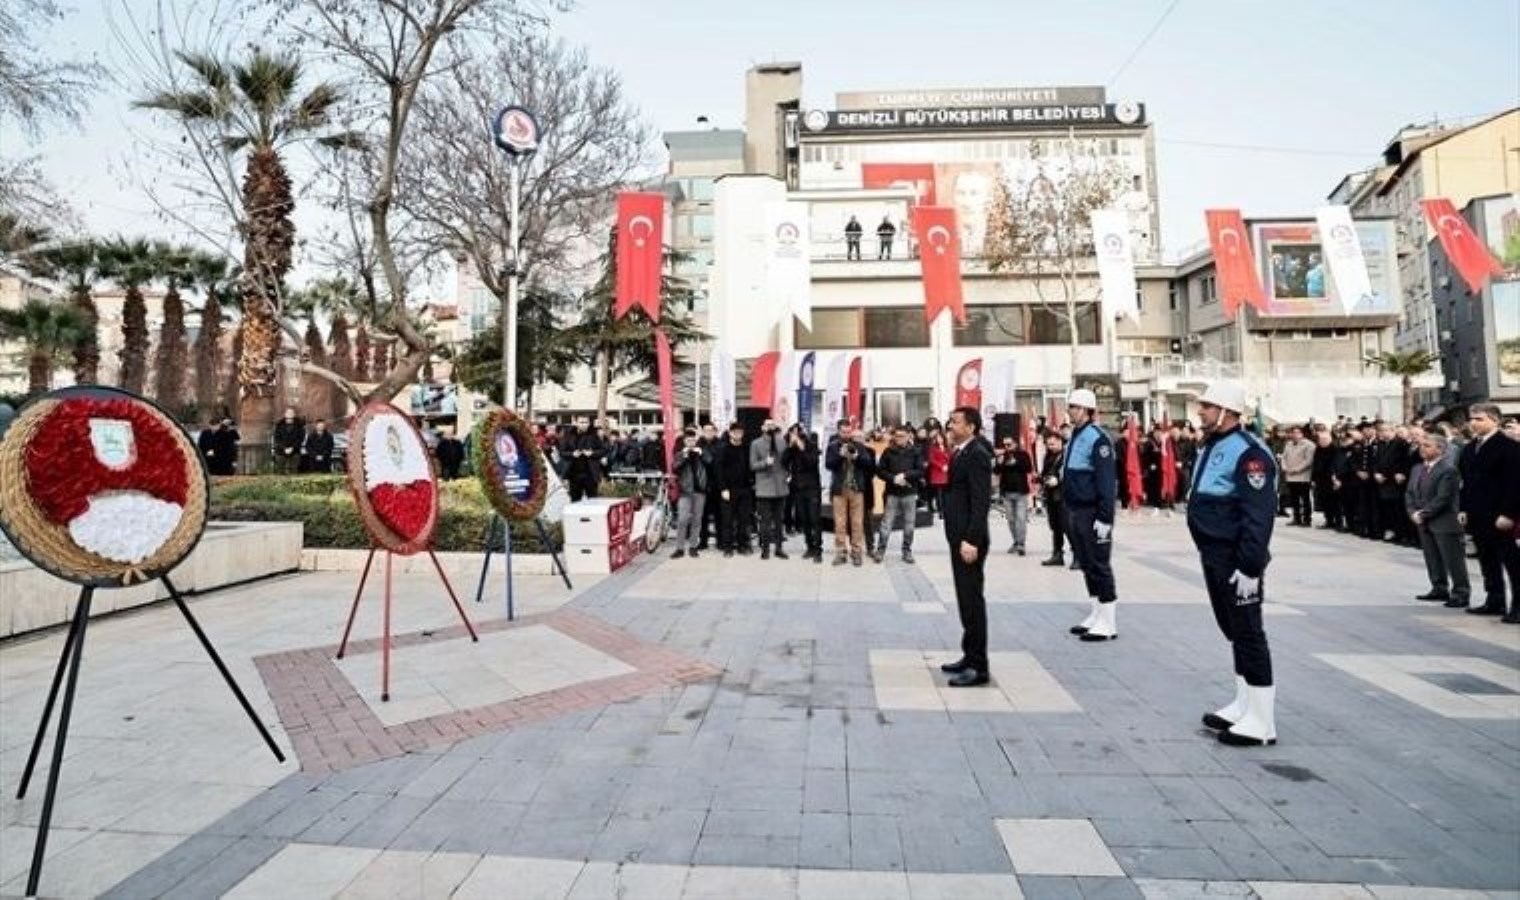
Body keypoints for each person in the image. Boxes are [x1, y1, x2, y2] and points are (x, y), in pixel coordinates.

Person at [1188, 381, 1279, 747]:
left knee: (1248, 631)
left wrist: (1250, 567)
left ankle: (1262, 720)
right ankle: (1244, 703)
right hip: (1214, 554)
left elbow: (1258, 516)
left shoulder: (1250, 453)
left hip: (1237, 560)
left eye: (1208, 406)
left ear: (1227, 411)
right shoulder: (1213, 446)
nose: (1201, 412)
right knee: (1232, 629)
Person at [938, 406, 994, 688]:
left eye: (956, 422)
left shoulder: (978, 455)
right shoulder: (961, 451)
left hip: (969, 540)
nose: (951, 425)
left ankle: (978, 665)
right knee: (964, 598)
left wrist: (972, 539)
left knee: (972, 600)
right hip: (958, 536)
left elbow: (981, 501)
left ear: (971, 427)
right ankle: (968, 654)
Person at [1062, 389, 1119, 642]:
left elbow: (1106, 482)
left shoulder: (1099, 439)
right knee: (1086, 563)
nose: (1070, 411)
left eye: (1074, 407)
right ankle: (1096, 613)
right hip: (1075, 508)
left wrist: (1105, 518)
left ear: (1086, 410)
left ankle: (1108, 621)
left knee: (1099, 564)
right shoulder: (1076, 435)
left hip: (1092, 510)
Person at [1457, 404, 1520, 622]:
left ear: (1494, 420)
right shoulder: (1469, 448)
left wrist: (1509, 513)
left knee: (1512, 562)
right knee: (1487, 560)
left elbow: (1515, 483)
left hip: (1500, 514)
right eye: (1471, 419)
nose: (1473, 423)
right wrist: (1463, 507)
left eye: (1479, 419)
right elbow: (1466, 482)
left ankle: (1518, 606)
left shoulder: (1509, 447)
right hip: (1477, 513)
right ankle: (1495, 600)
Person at [1407, 433, 1469, 609]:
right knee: (1432, 557)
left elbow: (1443, 497)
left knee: (1453, 559)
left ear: (1440, 449)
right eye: (1421, 445)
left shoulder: (1448, 470)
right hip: (1423, 520)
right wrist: (1412, 511)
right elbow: (1410, 493)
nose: (1422, 448)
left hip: (1444, 521)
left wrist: (1423, 513)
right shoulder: (1417, 468)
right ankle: (1439, 587)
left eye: (1427, 445)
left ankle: (1461, 593)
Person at [825, 418, 875, 566]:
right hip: (839, 489)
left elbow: (868, 464)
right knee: (840, 523)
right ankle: (840, 552)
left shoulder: (859, 446)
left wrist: (857, 457)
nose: (846, 435)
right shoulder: (833, 446)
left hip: (856, 488)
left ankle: (857, 552)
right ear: (838, 431)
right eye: (843, 432)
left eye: (848, 431)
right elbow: (828, 465)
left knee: (857, 522)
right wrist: (839, 457)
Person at [874, 425, 924, 563]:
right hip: (892, 493)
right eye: (896, 436)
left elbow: (921, 471)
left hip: (909, 493)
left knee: (909, 524)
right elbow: (880, 471)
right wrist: (893, 478)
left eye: (901, 436)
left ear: (909, 436)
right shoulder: (888, 451)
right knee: (886, 524)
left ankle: (906, 551)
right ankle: (880, 550)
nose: (898, 439)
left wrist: (906, 475)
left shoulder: (916, 452)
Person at [750, 418, 790, 560]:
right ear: (762, 427)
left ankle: (779, 548)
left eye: (772, 425)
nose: (770, 427)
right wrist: (764, 463)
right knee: (765, 522)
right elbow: (752, 465)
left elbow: (786, 462)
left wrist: (788, 474)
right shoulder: (755, 443)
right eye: (767, 424)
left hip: (780, 487)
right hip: (764, 488)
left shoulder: (781, 441)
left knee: (779, 521)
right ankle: (765, 549)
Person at [784, 424, 824, 562]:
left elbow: (811, 462)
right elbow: (783, 462)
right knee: (804, 520)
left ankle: (818, 550)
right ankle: (810, 547)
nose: (794, 436)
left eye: (796, 433)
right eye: (791, 433)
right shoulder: (791, 448)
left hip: (812, 488)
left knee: (815, 519)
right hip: (797, 488)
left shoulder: (812, 445)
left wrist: (801, 448)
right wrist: (790, 447)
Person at [715, 421, 755, 556]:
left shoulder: (747, 448)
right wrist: (723, 488)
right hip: (728, 490)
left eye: (740, 432)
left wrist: (751, 483)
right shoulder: (723, 449)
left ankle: (742, 546)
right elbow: (718, 470)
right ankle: (728, 548)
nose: (738, 434)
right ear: (730, 433)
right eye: (735, 432)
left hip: (745, 489)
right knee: (727, 520)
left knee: (744, 520)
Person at [672, 428, 711, 559]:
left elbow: (710, 463)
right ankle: (679, 548)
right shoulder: (680, 454)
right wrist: (684, 456)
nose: (691, 442)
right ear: (684, 441)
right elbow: (675, 468)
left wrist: (701, 454)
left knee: (696, 520)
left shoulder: (701, 452)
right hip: (685, 491)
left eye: (693, 440)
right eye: (688, 440)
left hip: (700, 491)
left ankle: (693, 546)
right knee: (682, 520)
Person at [994, 435, 1033, 555]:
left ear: (1015, 443)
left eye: (1009, 444)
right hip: (1007, 492)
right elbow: (996, 471)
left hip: (1021, 492)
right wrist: (999, 463)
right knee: (1011, 520)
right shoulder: (1003, 456)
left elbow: (1029, 469)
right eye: (1004, 445)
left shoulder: (1023, 454)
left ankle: (1021, 543)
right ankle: (1016, 541)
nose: (1007, 447)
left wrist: (1017, 462)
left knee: (1021, 519)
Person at [1373, 421, 1410, 543]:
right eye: (1382, 431)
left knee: (1399, 510)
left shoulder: (1401, 444)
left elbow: (1403, 462)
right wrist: (1376, 473)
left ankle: (1403, 534)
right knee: (1389, 510)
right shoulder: (1382, 444)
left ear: (1393, 430)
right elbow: (1377, 461)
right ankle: (1395, 532)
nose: (1384, 433)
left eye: (1386, 430)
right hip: (1383, 482)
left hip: (1396, 481)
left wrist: (1397, 474)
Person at [1039, 431, 1068, 566]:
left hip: (1064, 496)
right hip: (1051, 496)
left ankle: (1078, 556)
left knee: (1067, 527)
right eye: (1048, 444)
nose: (1050, 446)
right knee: (1055, 527)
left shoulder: (1067, 455)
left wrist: (1059, 481)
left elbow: (1072, 474)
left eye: (1053, 444)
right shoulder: (1048, 456)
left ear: (1060, 441)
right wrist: (1042, 479)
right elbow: (1045, 472)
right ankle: (1057, 554)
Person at [562, 416, 606, 502]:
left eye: (586, 422)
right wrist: (572, 454)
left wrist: (592, 453)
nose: (584, 425)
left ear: (589, 424)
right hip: (574, 474)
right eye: (581, 422)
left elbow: (603, 450)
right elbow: (562, 452)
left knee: (592, 500)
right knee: (575, 500)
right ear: (576, 423)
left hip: (590, 473)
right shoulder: (569, 435)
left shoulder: (594, 435)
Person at [1280, 425, 1315, 527]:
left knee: (1305, 499)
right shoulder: (1288, 444)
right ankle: (1297, 518)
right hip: (1290, 476)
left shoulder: (1309, 445)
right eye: (1293, 432)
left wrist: (1297, 469)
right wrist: (1284, 467)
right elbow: (1283, 457)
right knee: (1294, 499)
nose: (1295, 435)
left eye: (1297, 432)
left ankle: (1307, 520)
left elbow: (1308, 461)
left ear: (1302, 433)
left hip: (1303, 476)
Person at [697, 422, 721, 551]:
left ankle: (720, 541)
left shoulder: (720, 444)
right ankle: (703, 541)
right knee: (703, 515)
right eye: (705, 430)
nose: (708, 433)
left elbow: (717, 462)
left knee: (719, 514)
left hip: (717, 484)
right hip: (702, 484)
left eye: (710, 430)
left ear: (715, 431)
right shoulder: (698, 444)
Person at [1310, 427, 1340, 529]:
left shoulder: (1335, 449)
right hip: (1320, 480)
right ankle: (1329, 520)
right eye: (1321, 440)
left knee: (1334, 502)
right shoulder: (1318, 449)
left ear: (1330, 439)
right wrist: (1313, 479)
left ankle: (1337, 521)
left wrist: (1334, 476)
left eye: (1325, 439)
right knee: (1324, 501)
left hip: (1330, 479)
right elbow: (1315, 464)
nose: (1322, 441)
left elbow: (1335, 464)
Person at [271, 408, 305, 474]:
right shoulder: (279, 425)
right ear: (285, 414)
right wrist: (284, 448)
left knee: (294, 470)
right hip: (280, 451)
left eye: (291, 413)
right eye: (288, 413)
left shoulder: (299, 425)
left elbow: (300, 438)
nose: (290, 414)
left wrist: (292, 447)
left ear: (294, 414)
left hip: (295, 451)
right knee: (280, 471)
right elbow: (277, 438)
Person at [925, 431, 950, 518]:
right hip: (937, 473)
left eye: (941, 438)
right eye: (937, 438)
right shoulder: (933, 448)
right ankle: (941, 511)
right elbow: (931, 460)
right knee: (939, 494)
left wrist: (948, 465)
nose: (939, 440)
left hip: (946, 472)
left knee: (945, 494)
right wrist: (941, 466)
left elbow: (950, 457)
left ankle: (946, 510)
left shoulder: (947, 447)